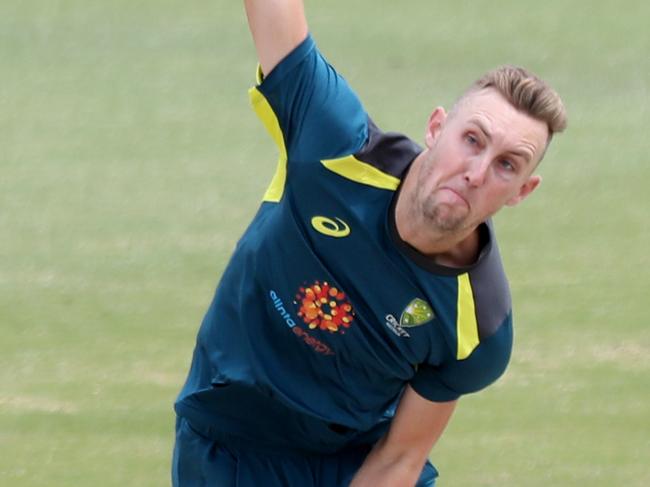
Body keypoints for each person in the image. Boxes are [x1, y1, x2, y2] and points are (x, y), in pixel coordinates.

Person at [172, 1, 567, 486]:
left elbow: (400, 458)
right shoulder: (333, 145)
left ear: (522, 192)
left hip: (355, 461)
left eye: (507, 165)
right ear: (436, 127)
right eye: (472, 139)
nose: (476, 172)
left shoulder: (478, 326)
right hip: (232, 441)